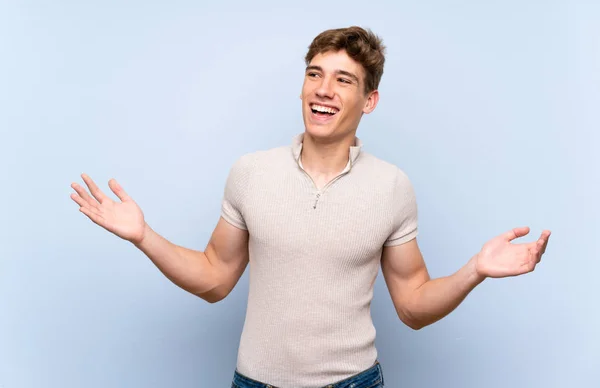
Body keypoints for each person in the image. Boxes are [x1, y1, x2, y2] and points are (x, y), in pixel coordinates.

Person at [70, 26, 551, 388]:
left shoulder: (391, 186)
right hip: (254, 382)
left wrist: (475, 270)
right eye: (315, 74)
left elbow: (412, 306)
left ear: (370, 100)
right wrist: (143, 236)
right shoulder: (250, 172)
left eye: (344, 80)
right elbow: (215, 279)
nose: (324, 89)